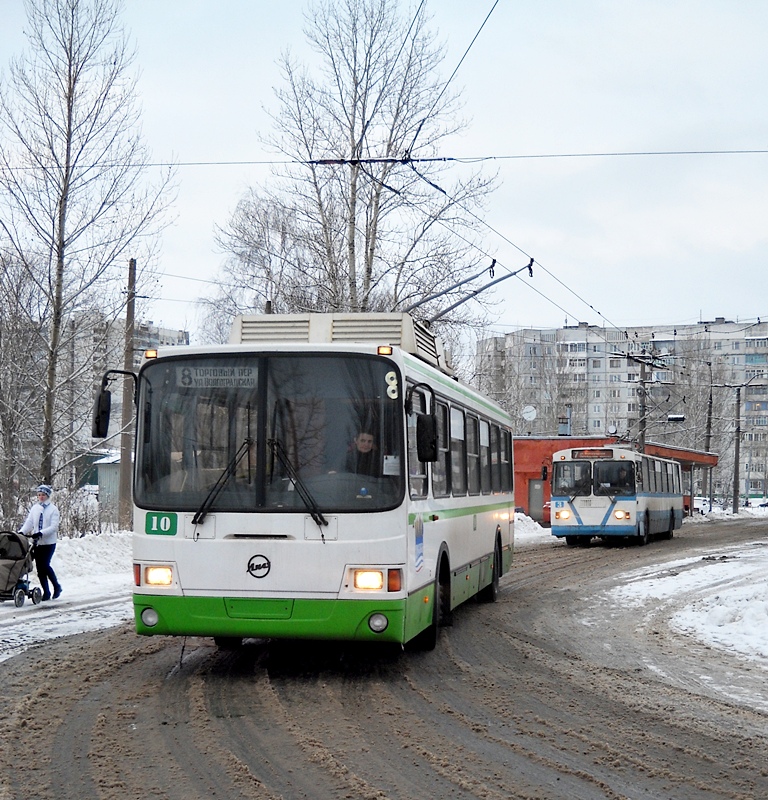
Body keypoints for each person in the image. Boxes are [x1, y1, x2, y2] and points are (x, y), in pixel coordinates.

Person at [19, 484, 62, 601]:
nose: (41, 497)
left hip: (49, 543)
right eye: (39, 495)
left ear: (47, 495)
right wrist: (21, 532)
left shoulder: (53, 510)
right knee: (39, 568)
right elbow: (30, 522)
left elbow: (53, 527)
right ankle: (46, 592)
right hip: (37, 543)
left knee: (45, 565)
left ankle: (57, 586)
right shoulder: (35, 508)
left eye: (43, 495)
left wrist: (41, 533)